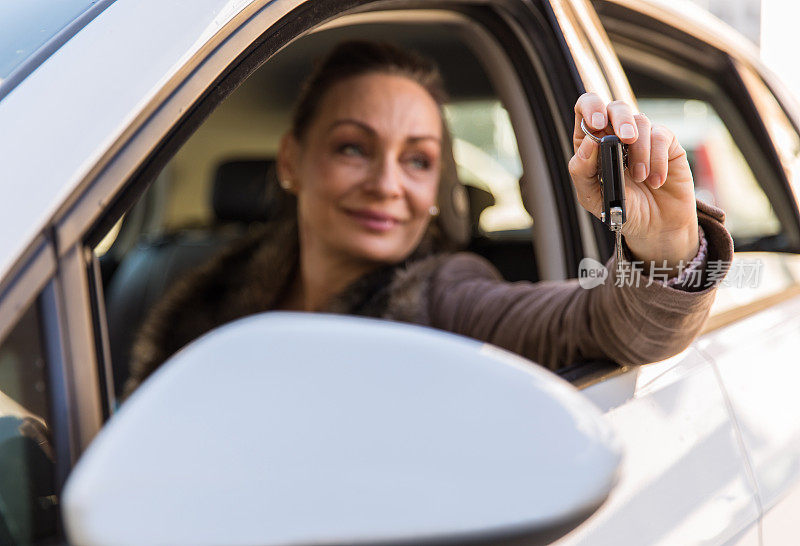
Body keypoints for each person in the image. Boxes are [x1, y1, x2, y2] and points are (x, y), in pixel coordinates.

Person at [124, 40, 733, 397]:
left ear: (438, 189)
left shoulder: (445, 299)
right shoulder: (198, 293)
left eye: (417, 161)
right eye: (353, 148)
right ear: (293, 160)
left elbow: (610, 328)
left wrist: (667, 245)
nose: (387, 185)